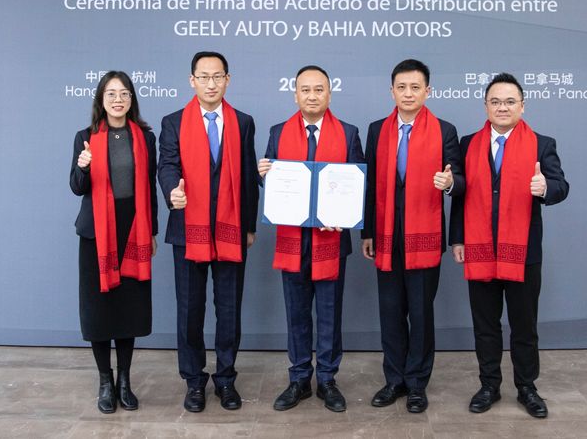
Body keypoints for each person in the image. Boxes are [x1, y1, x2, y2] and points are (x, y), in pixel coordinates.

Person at [451, 72, 569, 418]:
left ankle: (527, 387)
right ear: (486, 105)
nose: (502, 107)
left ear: (522, 105)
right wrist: (456, 237)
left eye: (509, 101)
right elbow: (460, 195)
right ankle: (489, 385)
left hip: (524, 252)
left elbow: (562, 186)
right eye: (495, 101)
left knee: (523, 325)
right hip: (479, 247)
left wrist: (545, 187)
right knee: (485, 324)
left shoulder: (542, 144)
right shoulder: (468, 143)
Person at [258, 65, 364, 413]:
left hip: (332, 239)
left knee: (330, 312)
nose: (312, 96)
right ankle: (300, 378)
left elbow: (356, 183)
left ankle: (329, 380)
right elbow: (272, 184)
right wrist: (264, 177)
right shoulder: (277, 132)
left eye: (319, 90)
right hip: (292, 237)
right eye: (306, 90)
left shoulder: (348, 133)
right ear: (296, 94)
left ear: (329, 94)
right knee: (297, 312)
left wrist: (345, 213)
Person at [361, 59, 464, 413]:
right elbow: (369, 184)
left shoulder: (445, 130)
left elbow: (460, 178)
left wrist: (450, 183)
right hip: (386, 236)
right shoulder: (377, 130)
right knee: (390, 311)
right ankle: (394, 380)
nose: (408, 93)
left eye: (415, 87)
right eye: (401, 87)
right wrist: (368, 232)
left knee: (420, 313)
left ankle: (417, 383)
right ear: (392, 90)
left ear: (427, 91)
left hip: (425, 236)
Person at [158, 51, 259, 412]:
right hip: (188, 229)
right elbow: (167, 164)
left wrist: (249, 225)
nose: (211, 84)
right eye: (204, 77)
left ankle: (227, 380)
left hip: (232, 231)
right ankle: (194, 382)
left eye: (218, 77)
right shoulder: (173, 122)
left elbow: (248, 176)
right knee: (190, 310)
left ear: (228, 80)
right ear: (192, 81)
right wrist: (173, 191)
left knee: (229, 310)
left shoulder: (243, 121)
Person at [69, 71, 158, 414]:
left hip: (132, 231)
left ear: (132, 99)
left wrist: (152, 232)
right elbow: (77, 187)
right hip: (96, 235)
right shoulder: (85, 137)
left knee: (127, 310)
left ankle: (125, 381)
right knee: (99, 311)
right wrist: (83, 165)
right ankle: (105, 381)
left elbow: (149, 188)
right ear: (101, 99)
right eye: (111, 93)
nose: (118, 99)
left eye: (124, 93)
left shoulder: (144, 138)